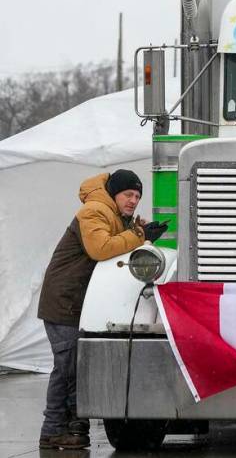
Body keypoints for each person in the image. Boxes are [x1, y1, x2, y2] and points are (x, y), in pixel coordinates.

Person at [36, 170, 167, 450]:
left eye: (137, 196)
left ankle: (71, 428)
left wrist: (142, 234)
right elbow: (101, 248)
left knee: (74, 367)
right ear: (114, 193)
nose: (133, 200)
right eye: (128, 194)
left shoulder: (116, 215)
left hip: (77, 302)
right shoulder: (94, 210)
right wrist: (140, 234)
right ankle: (53, 430)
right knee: (68, 367)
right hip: (63, 300)